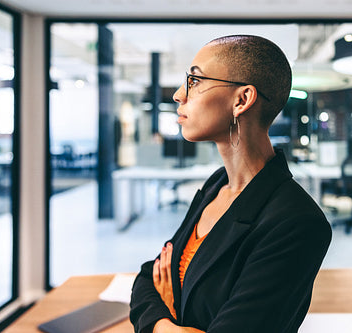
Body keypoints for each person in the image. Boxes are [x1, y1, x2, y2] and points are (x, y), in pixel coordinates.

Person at [130, 34, 332, 333]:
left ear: (241, 100)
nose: (178, 94)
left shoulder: (297, 222)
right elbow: (148, 278)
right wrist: (166, 326)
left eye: (194, 81)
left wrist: (168, 313)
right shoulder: (217, 185)